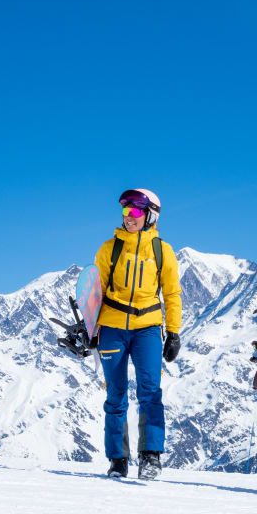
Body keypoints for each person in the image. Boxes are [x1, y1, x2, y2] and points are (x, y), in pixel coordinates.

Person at [94, 188, 182, 480]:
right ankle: (118, 460)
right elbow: (94, 293)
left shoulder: (162, 251)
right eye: (125, 212)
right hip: (112, 328)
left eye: (134, 212)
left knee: (150, 392)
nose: (128, 218)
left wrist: (173, 332)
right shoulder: (110, 248)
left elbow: (171, 293)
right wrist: (90, 330)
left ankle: (151, 457)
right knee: (116, 395)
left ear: (150, 215)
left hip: (147, 329)